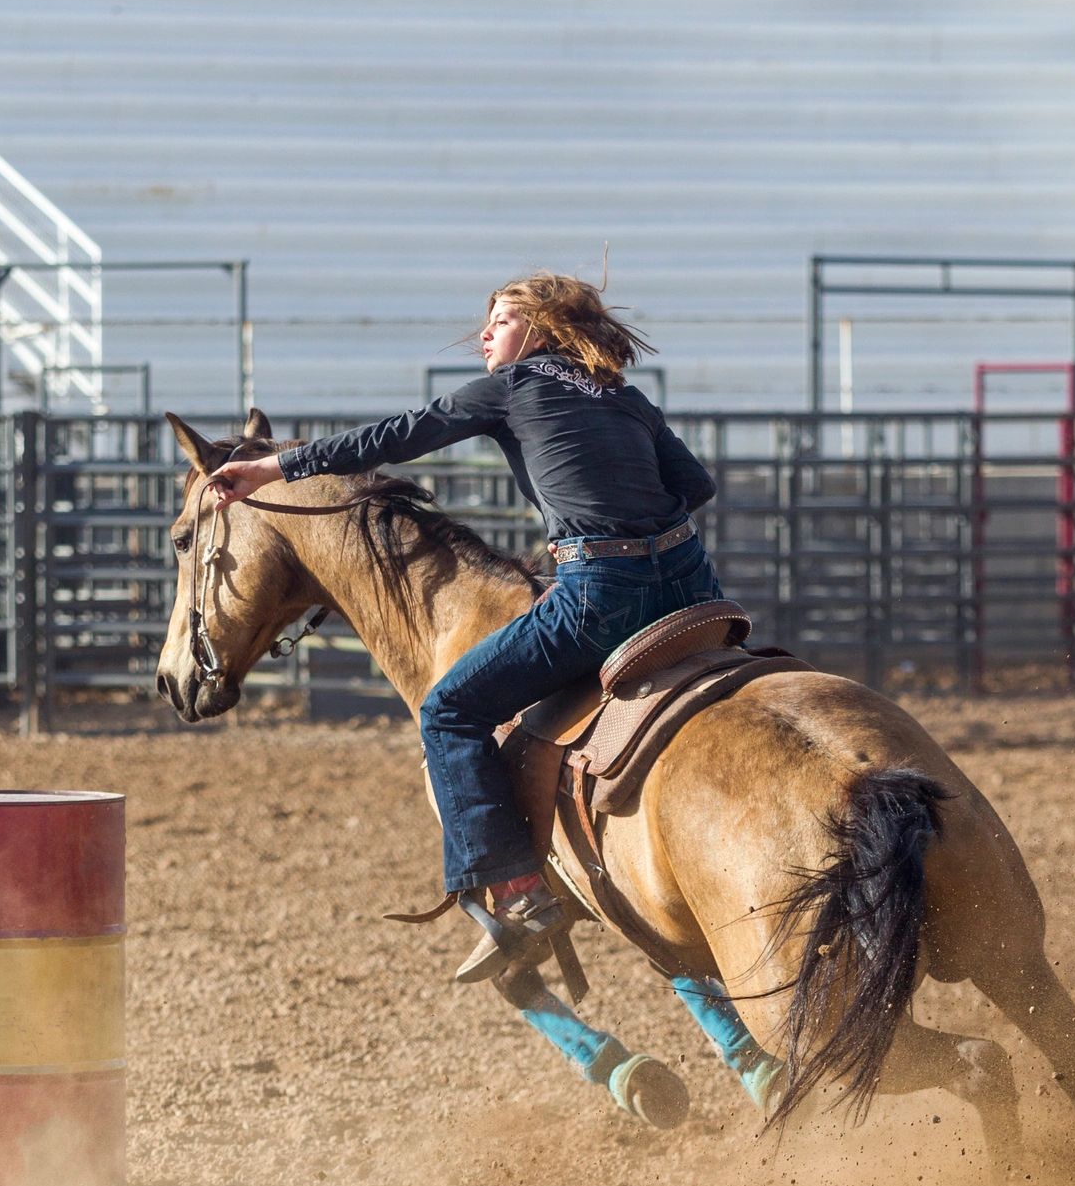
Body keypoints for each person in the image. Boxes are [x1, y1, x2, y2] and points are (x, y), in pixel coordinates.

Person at [206, 272, 723, 984]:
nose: (485, 332)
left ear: (539, 331)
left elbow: (399, 435)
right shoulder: (623, 397)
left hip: (604, 593)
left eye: (502, 318)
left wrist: (270, 467)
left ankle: (515, 892)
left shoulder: (511, 388)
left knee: (448, 710)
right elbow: (697, 488)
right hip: (693, 589)